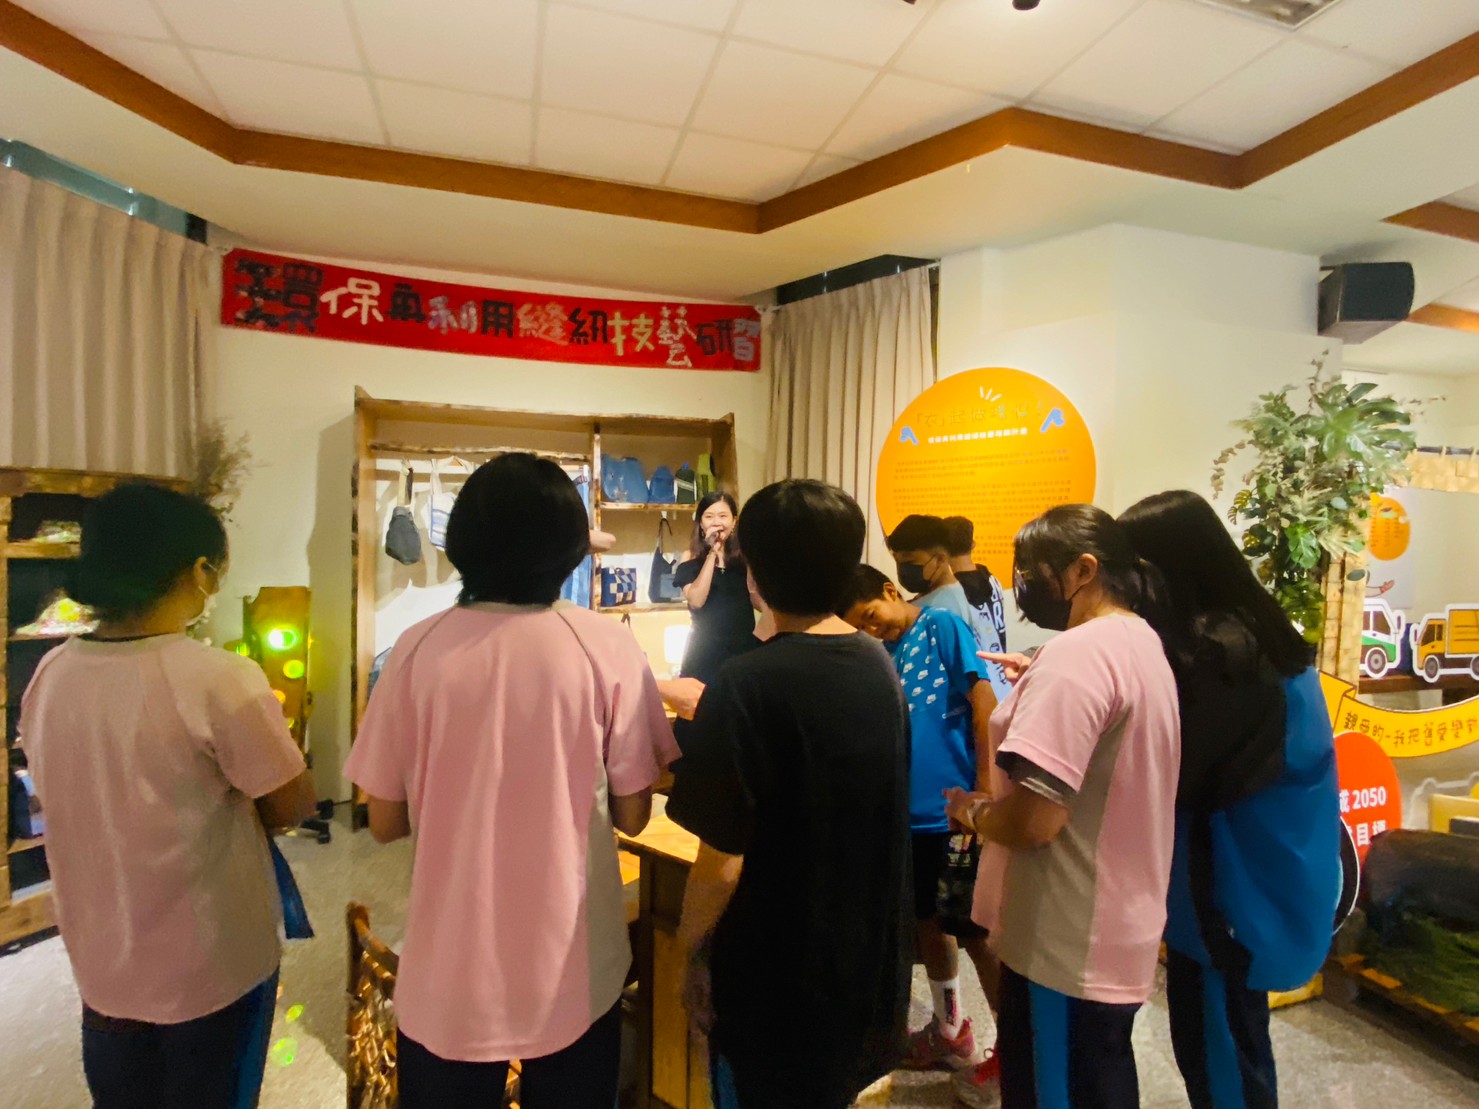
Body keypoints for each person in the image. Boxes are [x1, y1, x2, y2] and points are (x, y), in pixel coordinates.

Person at [345, 453, 678, 1109]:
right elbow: (633, 816)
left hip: (448, 973)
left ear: (461, 540)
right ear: (572, 547)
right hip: (576, 970)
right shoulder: (606, 646)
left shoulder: (415, 647)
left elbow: (383, 822)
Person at [20, 483, 316, 1109]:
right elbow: (292, 805)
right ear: (201, 572)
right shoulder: (219, 678)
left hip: (102, 960)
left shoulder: (51, 673)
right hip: (210, 965)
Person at [667, 480, 912, 1109]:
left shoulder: (746, 683)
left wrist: (687, 951)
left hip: (771, 977)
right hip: (858, 960)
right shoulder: (878, 663)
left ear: (755, 572)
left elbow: (722, 862)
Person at [944, 505, 1180, 1109]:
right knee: (1099, 1081)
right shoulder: (1140, 640)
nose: (1023, 585)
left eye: (1031, 570)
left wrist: (972, 811)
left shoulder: (1077, 656)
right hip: (1118, 923)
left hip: (1064, 937)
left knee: (1054, 1089)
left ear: (1083, 570)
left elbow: (1034, 821)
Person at [1119, 490, 1341, 1109]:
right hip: (1267, 872)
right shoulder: (1254, 631)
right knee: (1233, 1037)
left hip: (1232, 888)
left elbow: (1183, 775)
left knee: (1221, 1050)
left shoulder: (1222, 653)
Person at [837, 565, 1004, 1073]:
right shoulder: (881, 654)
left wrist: (985, 790)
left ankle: (1016, 1049)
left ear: (891, 591)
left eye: (871, 616)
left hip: (954, 819)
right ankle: (951, 1030)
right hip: (908, 822)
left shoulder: (940, 626)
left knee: (976, 934)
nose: (872, 629)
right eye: (860, 626)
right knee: (929, 925)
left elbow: (984, 703)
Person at [887, 515, 1008, 667]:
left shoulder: (942, 610)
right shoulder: (954, 593)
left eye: (910, 562)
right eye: (898, 562)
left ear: (940, 559)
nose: (903, 570)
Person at [673, 492, 757, 685]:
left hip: (743, 653)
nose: (716, 522)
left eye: (723, 516)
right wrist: (713, 553)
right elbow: (696, 600)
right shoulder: (691, 558)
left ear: (734, 521)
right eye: (709, 516)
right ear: (701, 523)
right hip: (704, 655)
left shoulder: (744, 559)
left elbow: (759, 603)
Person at [944, 516, 1008, 651]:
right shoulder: (993, 580)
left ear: (943, 550)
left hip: (974, 662)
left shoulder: (950, 593)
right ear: (973, 544)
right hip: (1000, 659)